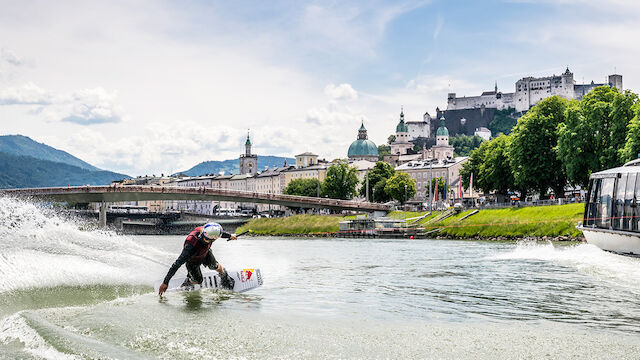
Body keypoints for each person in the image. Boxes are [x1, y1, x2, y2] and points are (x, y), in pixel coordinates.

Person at [158, 222, 237, 296]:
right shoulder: (191, 246)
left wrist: (230, 236)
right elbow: (176, 265)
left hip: (205, 252)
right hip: (192, 261)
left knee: (214, 266)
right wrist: (165, 282)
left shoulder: (208, 231)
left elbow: (220, 234)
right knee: (198, 280)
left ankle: (224, 276)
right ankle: (188, 282)